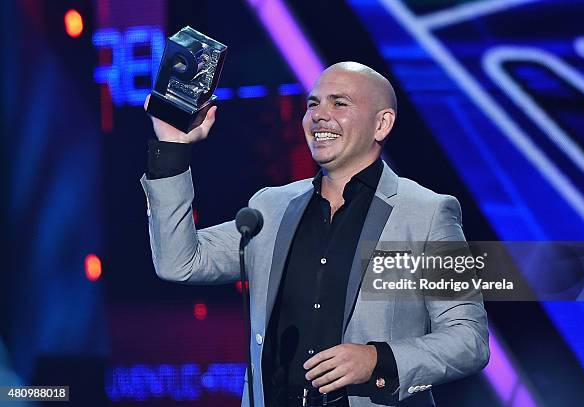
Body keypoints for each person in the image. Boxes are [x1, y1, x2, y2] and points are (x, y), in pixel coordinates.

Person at [140, 62, 489, 407]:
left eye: (339, 103)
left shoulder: (427, 213)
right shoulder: (271, 208)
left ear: (382, 123)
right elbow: (180, 263)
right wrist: (172, 149)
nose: (319, 115)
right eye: (312, 104)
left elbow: (468, 339)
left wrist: (378, 359)